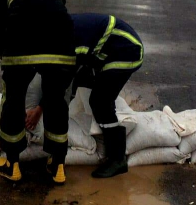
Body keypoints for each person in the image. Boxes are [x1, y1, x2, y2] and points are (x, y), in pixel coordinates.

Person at [0, 0, 76, 184]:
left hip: (20, 51)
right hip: (62, 51)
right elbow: (60, 18)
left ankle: (12, 165)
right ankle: (57, 165)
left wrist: (6, 57)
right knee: (56, 100)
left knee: (13, 101)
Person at [25, 13, 143, 178]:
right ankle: (104, 135)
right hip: (105, 50)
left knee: (100, 101)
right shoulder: (58, 32)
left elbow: (59, 84)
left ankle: (118, 159)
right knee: (83, 86)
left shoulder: (66, 44)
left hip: (126, 51)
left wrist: (38, 110)